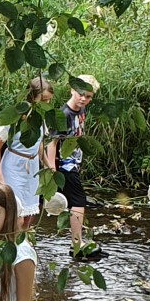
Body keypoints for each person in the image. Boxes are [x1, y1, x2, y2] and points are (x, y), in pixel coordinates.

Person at [45, 74, 100, 257]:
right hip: (63, 165)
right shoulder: (64, 114)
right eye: (81, 94)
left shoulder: (81, 110)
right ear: (72, 90)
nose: (84, 99)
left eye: (89, 96)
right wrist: (52, 171)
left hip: (73, 163)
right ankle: (76, 244)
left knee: (75, 201)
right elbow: (51, 144)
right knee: (78, 201)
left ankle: (76, 241)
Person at [0, 77, 53, 229]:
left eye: (49, 100)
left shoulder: (42, 119)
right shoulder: (15, 118)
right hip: (13, 166)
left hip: (32, 168)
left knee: (29, 215)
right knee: (15, 212)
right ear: (32, 97)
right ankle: (9, 244)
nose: (47, 104)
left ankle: (22, 246)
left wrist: (49, 166)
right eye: (44, 100)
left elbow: (38, 145)